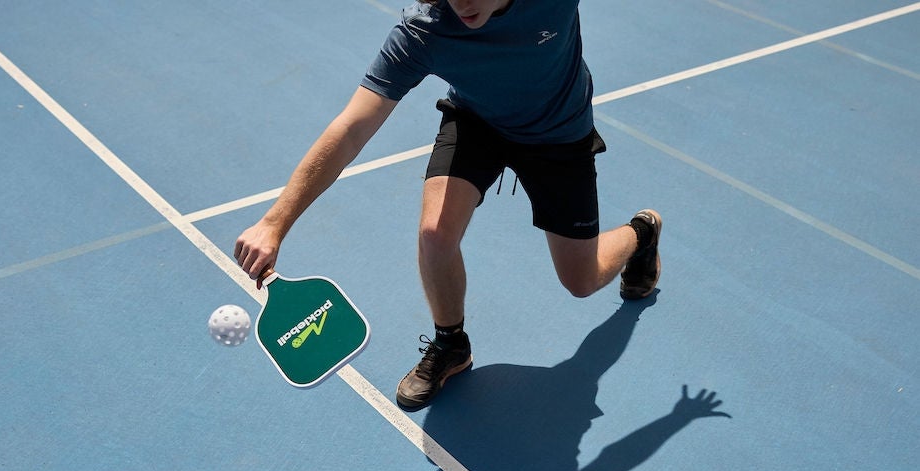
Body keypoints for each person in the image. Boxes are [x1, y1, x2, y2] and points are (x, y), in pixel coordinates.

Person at [234, 0, 661, 409]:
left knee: (581, 281)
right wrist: (275, 223)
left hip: (558, 135)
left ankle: (642, 233)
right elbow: (351, 127)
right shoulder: (425, 30)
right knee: (435, 234)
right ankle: (451, 343)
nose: (460, 4)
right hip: (478, 121)